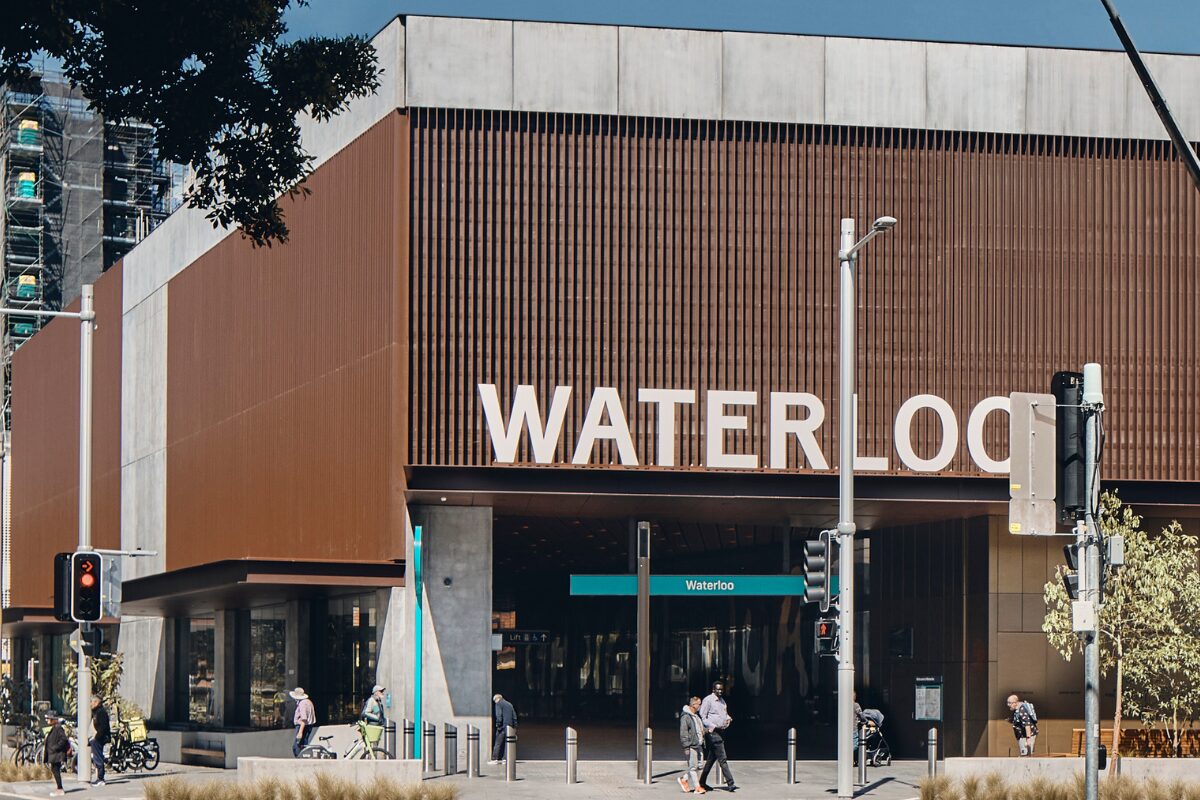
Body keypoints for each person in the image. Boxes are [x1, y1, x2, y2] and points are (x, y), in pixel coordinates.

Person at [698, 681, 737, 792]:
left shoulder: (722, 701)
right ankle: (730, 783)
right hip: (713, 732)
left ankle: (702, 782)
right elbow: (703, 716)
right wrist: (713, 726)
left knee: (711, 759)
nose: (720, 691)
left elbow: (723, 714)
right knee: (722, 758)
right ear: (713, 689)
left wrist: (728, 718)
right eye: (718, 689)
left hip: (722, 731)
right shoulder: (708, 700)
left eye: (721, 690)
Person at [678, 696, 706, 794]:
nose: (700, 706)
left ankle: (684, 779)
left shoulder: (696, 716)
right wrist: (686, 746)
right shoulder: (686, 717)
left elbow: (699, 730)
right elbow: (683, 733)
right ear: (694, 705)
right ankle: (697, 787)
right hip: (692, 745)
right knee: (693, 767)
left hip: (699, 744)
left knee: (700, 766)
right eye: (699, 704)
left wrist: (707, 730)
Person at [43, 711, 71, 797]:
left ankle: (60, 789)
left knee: (56, 770)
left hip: (57, 754)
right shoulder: (54, 727)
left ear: (53, 719)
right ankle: (59, 787)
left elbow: (64, 739)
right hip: (54, 754)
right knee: (55, 770)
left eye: (48, 718)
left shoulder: (58, 728)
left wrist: (56, 747)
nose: (47, 720)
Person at [489, 693, 517, 765]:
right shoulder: (509, 704)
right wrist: (514, 727)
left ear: (497, 699)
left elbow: (499, 716)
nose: (495, 702)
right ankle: (505, 758)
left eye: (494, 701)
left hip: (502, 727)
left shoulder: (499, 704)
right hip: (510, 727)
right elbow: (514, 716)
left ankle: (495, 759)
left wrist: (498, 725)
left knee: (498, 743)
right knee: (508, 743)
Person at [90, 695, 111, 786]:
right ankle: (99, 778)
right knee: (96, 758)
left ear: (96, 702)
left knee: (98, 758)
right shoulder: (96, 712)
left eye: (92, 702)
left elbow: (103, 727)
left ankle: (101, 778)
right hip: (97, 738)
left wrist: (97, 737)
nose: (90, 704)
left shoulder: (101, 712)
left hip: (100, 739)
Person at [291, 687, 316, 757]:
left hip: (302, 726)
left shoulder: (302, 704)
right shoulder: (308, 702)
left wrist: (300, 732)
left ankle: (300, 759)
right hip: (308, 726)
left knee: (296, 747)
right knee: (304, 745)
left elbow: (304, 719)